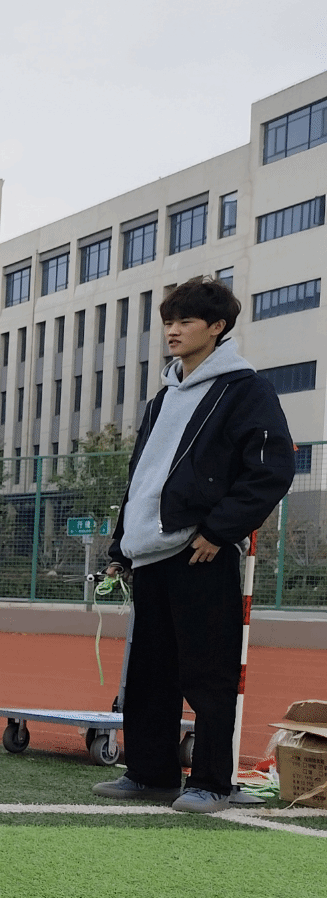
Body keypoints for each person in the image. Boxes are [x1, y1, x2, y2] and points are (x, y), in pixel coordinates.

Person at [93, 276, 295, 814]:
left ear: (217, 327)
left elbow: (271, 469)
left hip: (201, 551)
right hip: (151, 554)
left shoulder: (245, 389)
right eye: (168, 321)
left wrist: (218, 530)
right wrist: (122, 547)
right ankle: (151, 774)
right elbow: (144, 478)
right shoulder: (164, 397)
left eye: (185, 321)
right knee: (149, 674)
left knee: (208, 674)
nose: (173, 331)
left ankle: (210, 783)